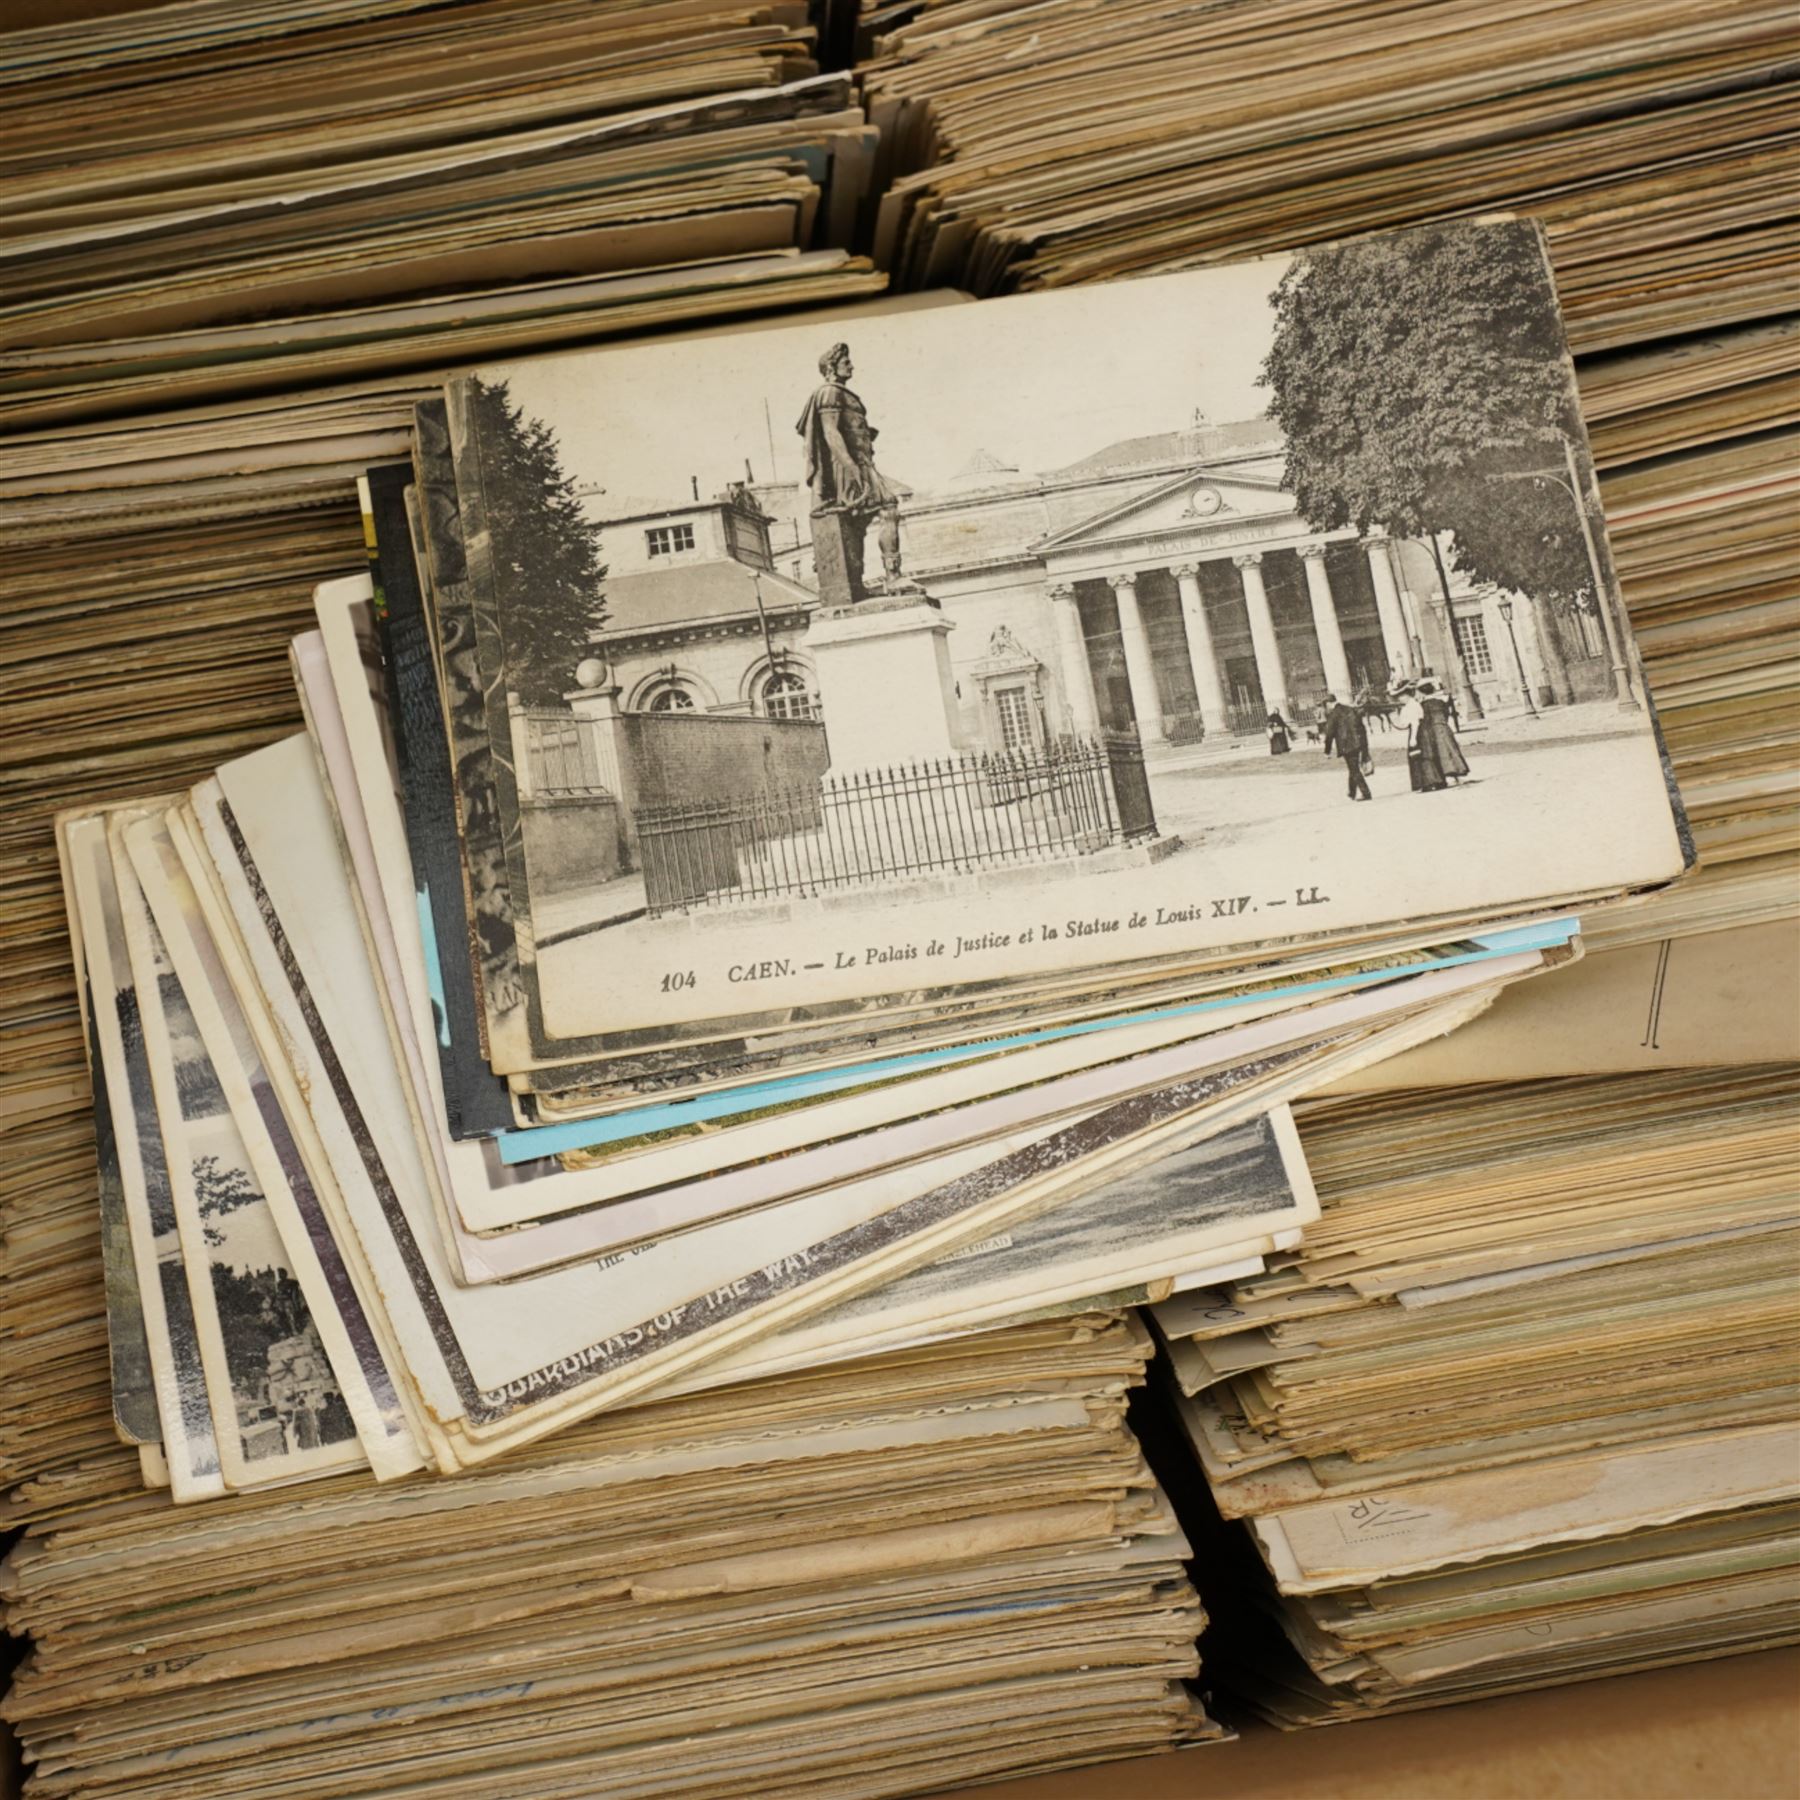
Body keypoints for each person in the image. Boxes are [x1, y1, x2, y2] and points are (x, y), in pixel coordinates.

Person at [1415, 677, 1471, 788]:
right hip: (1444, 728)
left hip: (1431, 730)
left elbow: (1422, 719)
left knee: (1437, 753)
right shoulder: (1441, 701)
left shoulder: (1422, 705)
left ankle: (1445, 777)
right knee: (1449, 750)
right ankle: (1457, 775)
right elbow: (1447, 714)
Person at [1321, 692, 1372, 801]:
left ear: (1329, 703)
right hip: (1358, 742)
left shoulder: (1333, 714)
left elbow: (1329, 734)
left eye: (1326, 705)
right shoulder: (1350, 709)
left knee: (1354, 769)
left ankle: (1366, 793)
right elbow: (1361, 726)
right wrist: (1363, 743)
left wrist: (1327, 751)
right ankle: (1352, 792)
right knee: (1353, 767)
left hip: (1346, 745)